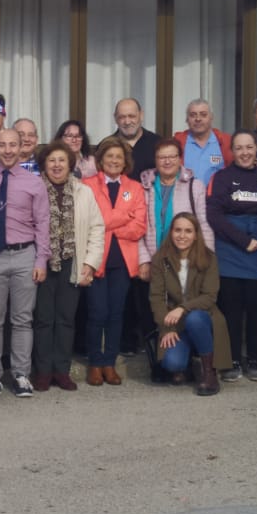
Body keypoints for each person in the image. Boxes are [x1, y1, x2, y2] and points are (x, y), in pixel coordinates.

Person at [0, 128, 50, 398]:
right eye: (2, 145)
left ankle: (21, 374)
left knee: (22, 319)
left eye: (13, 145)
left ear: (21, 147)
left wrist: (41, 259)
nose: (7, 150)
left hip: (24, 255)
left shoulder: (34, 182)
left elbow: (43, 223)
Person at [31, 144, 104, 392]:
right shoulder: (34, 188)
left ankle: (61, 371)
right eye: (51, 160)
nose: (57, 165)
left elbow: (97, 228)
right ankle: (43, 372)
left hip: (72, 261)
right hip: (42, 262)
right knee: (43, 319)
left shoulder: (84, 192)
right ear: (44, 164)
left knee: (65, 319)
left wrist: (90, 264)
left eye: (61, 160)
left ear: (70, 164)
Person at [206, 131, 257, 382]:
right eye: (239, 148)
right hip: (231, 247)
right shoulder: (222, 177)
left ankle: (254, 360)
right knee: (231, 308)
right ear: (232, 152)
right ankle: (232, 360)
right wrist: (243, 241)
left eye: (249, 147)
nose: (244, 152)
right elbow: (213, 215)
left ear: (256, 148)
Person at [83, 136, 145, 385]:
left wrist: (108, 223)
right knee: (97, 313)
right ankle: (94, 363)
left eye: (119, 156)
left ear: (125, 161)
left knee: (116, 314)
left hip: (122, 261)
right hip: (95, 258)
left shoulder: (135, 188)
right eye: (109, 156)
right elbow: (89, 221)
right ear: (101, 160)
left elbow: (139, 226)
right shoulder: (87, 185)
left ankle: (109, 362)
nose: (114, 160)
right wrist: (123, 216)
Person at [149, 212, 230, 396]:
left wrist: (183, 308)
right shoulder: (160, 259)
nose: (182, 235)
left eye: (188, 231)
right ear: (171, 232)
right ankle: (190, 364)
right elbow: (156, 297)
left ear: (195, 235)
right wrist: (166, 328)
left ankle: (209, 373)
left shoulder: (209, 258)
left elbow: (209, 296)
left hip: (204, 317)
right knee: (172, 364)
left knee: (194, 318)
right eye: (177, 230)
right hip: (174, 321)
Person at [138, 139, 213, 279]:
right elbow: (138, 228)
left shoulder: (195, 186)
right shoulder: (144, 188)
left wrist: (207, 260)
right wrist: (144, 260)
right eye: (162, 157)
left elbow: (204, 225)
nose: (167, 162)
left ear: (180, 159)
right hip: (153, 263)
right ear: (155, 160)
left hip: (187, 262)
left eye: (172, 156)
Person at [175, 99, 232, 185]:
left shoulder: (227, 142)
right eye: (193, 115)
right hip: (185, 193)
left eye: (203, 115)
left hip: (218, 193)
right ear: (187, 119)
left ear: (211, 117)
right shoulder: (177, 143)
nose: (198, 119)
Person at [110, 99, 160, 178]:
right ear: (115, 118)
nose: (127, 122)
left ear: (141, 115)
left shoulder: (158, 143)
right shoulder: (107, 146)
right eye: (122, 117)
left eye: (132, 116)